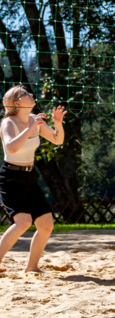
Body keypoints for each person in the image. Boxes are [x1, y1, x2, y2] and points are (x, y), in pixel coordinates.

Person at [0, 86, 67, 273]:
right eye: (26, 94)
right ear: (16, 103)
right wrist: (31, 127)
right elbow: (12, 147)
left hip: (29, 176)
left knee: (46, 225)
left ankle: (32, 267)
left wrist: (58, 123)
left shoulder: (34, 119)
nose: (31, 95)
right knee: (23, 222)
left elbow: (57, 139)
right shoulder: (8, 123)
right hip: (11, 178)